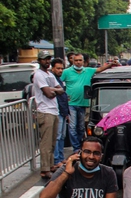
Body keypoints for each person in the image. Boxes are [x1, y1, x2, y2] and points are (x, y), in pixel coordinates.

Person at [61, 53, 118, 152]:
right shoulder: (66, 72)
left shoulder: (87, 71)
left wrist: (111, 64)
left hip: (83, 103)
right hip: (71, 104)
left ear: (83, 62)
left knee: (81, 127)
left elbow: (100, 69)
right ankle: (76, 148)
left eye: (80, 60)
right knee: (72, 127)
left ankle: (80, 145)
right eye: (76, 60)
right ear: (73, 61)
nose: (78, 62)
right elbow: (58, 82)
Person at [33, 51, 64, 179]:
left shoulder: (49, 74)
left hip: (53, 110)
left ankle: (51, 165)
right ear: (39, 60)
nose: (46, 61)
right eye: (44, 59)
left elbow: (61, 89)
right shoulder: (39, 75)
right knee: (46, 142)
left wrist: (54, 90)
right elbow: (48, 93)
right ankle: (45, 169)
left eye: (48, 59)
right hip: (45, 111)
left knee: (52, 141)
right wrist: (54, 90)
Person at [51, 58, 69, 170]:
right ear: (52, 68)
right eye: (58, 68)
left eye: (62, 68)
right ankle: (56, 159)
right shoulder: (52, 79)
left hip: (63, 111)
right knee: (57, 137)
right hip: (56, 111)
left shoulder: (59, 80)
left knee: (62, 136)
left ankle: (61, 157)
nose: (60, 70)